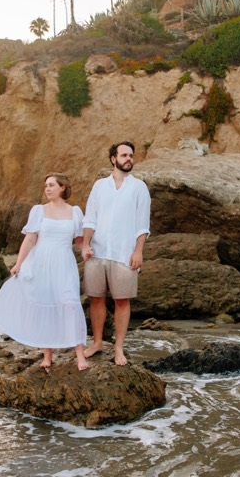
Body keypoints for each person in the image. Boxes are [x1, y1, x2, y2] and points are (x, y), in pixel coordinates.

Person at [0, 174, 91, 372]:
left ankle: (79, 355)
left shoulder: (75, 212)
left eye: (51, 185)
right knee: (45, 303)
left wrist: (85, 250)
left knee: (70, 303)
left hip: (64, 263)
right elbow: (30, 239)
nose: (47, 189)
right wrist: (19, 263)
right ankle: (47, 355)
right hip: (41, 262)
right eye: (46, 186)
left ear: (62, 188)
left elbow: (79, 240)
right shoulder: (38, 211)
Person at [80, 141, 151, 366]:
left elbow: (142, 224)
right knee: (96, 299)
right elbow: (90, 217)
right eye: (123, 155)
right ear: (113, 159)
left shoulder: (139, 187)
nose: (128, 158)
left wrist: (139, 251)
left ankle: (119, 348)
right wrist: (85, 244)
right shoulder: (100, 186)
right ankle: (97, 343)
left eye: (131, 155)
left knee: (122, 301)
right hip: (97, 252)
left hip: (124, 254)